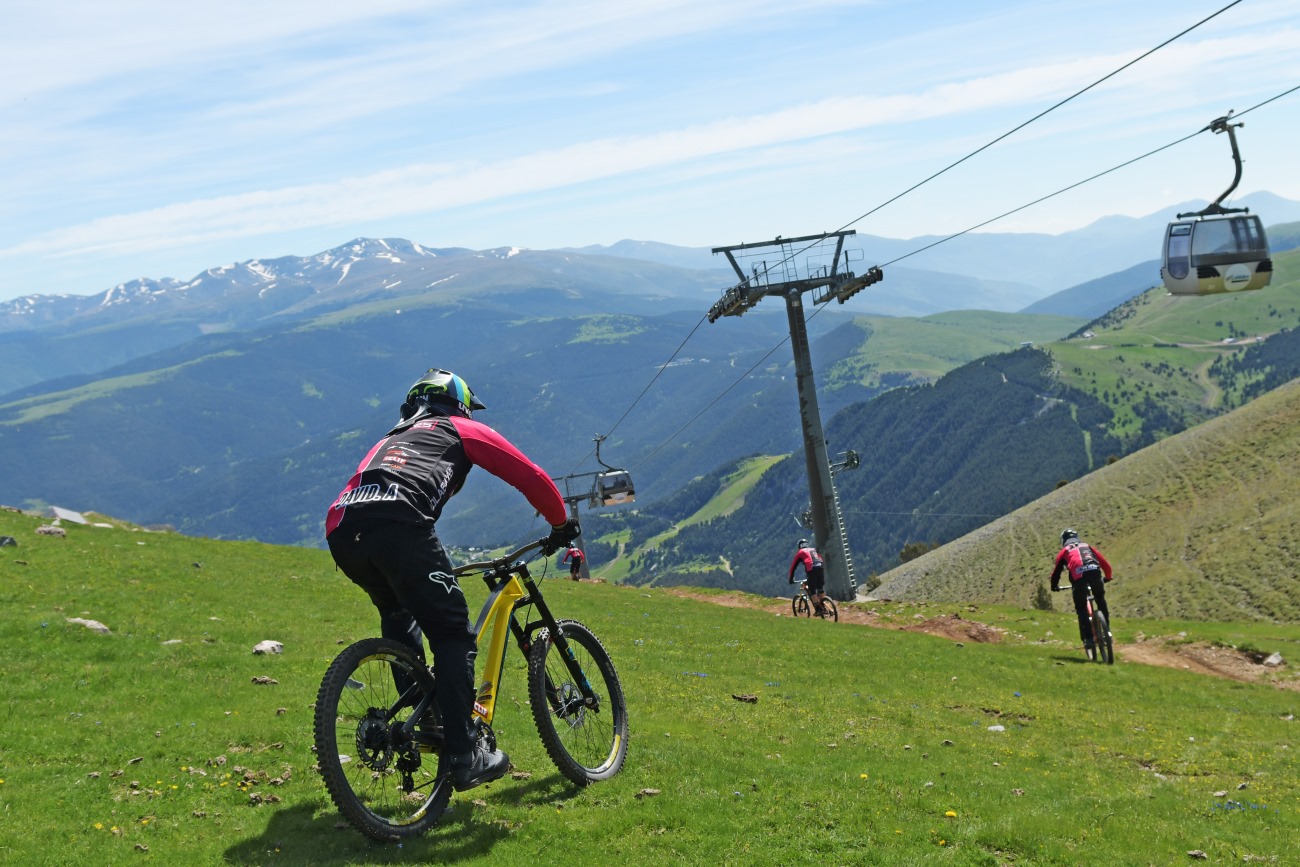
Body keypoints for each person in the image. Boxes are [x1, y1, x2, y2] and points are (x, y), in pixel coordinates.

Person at [325, 368, 579, 792]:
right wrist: (560, 522)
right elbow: (528, 474)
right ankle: (466, 754)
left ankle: (425, 720)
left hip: (343, 529)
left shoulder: (390, 439)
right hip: (399, 526)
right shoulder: (458, 428)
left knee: (399, 613)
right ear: (460, 405)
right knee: (454, 634)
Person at [1049, 528, 1114, 651]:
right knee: (1100, 599)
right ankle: (1107, 632)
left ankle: (1089, 639)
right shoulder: (1087, 546)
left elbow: (1056, 573)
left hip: (1078, 578)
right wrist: (1108, 577)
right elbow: (1105, 563)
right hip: (1095, 573)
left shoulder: (1064, 552)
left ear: (1063, 541)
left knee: (1081, 608)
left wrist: (1054, 586)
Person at [788, 539, 827, 615]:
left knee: (812, 590)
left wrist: (791, 578)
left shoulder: (800, 552)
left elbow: (793, 567)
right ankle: (823, 605)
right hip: (821, 567)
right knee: (820, 587)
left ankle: (818, 609)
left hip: (812, 569)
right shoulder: (813, 549)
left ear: (800, 546)